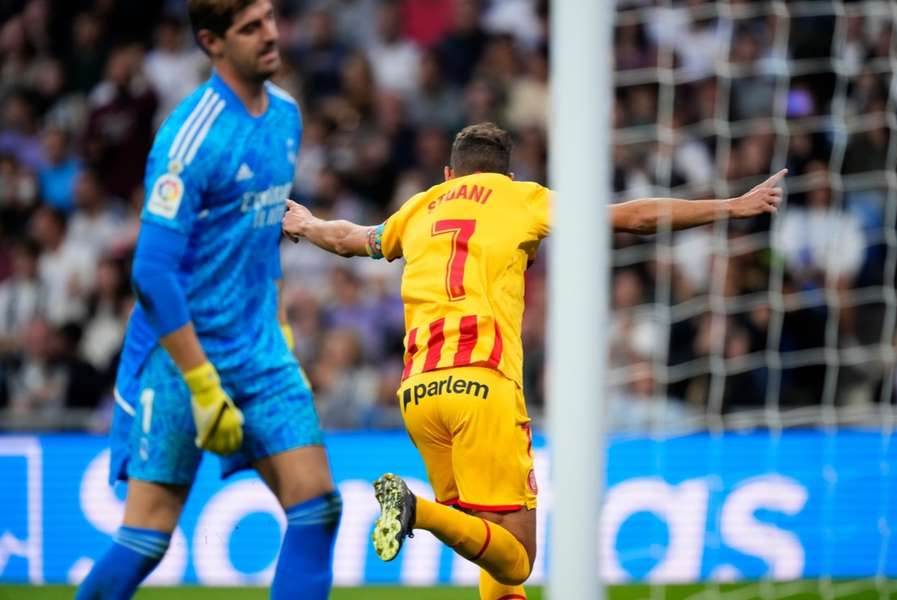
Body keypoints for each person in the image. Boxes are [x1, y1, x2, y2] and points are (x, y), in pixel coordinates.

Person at [282, 122, 785, 600]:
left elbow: (353, 240)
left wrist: (307, 223)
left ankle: (426, 513)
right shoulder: (523, 198)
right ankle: (418, 510)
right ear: (507, 175)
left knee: (486, 542)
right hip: (481, 385)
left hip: (417, 392)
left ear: (448, 176)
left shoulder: (418, 208)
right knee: (519, 557)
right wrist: (732, 206)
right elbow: (635, 217)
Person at [76, 2, 340, 599]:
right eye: (251, 27)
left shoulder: (287, 117)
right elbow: (151, 270)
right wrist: (200, 381)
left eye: (270, 18)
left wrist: (276, 324)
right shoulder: (190, 136)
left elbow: (261, 232)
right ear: (212, 43)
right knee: (147, 537)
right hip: (179, 354)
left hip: (259, 349)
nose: (270, 33)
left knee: (318, 508)